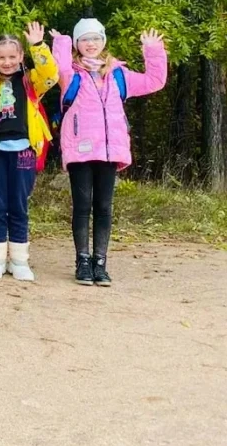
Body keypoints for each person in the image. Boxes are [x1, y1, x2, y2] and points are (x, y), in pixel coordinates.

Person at [51, 20, 167, 286]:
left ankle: (100, 263)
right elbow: (59, 68)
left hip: (110, 150)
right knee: (82, 207)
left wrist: (153, 50)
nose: (90, 44)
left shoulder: (118, 74)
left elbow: (154, 81)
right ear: (77, 44)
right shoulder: (72, 74)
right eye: (84, 39)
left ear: (103, 41)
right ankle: (82, 261)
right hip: (80, 149)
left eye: (95, 38)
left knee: (104, 207)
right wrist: (62, 42)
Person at [0, 17, 58, 281]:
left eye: (12, 57)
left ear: (20, 57)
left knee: (18, 204)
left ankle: (19, 261)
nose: (7, 62)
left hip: (25, 150)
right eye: (1, 57)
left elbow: (51, 75)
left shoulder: (31, 80)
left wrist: (38, 46)